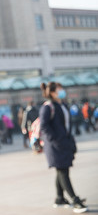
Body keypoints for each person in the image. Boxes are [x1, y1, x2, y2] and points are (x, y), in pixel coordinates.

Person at [39, 82, 87, 213]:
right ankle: (74, 199)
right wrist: (55, 139)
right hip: (55, 146)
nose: (62, 91)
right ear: (52, 92)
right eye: (60, 89)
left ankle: (59, 198)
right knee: (63, 171)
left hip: (65, 143)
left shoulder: (62, 105)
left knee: (61, 170)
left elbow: (66, 126)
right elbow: (44, 126)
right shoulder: (48, 107)